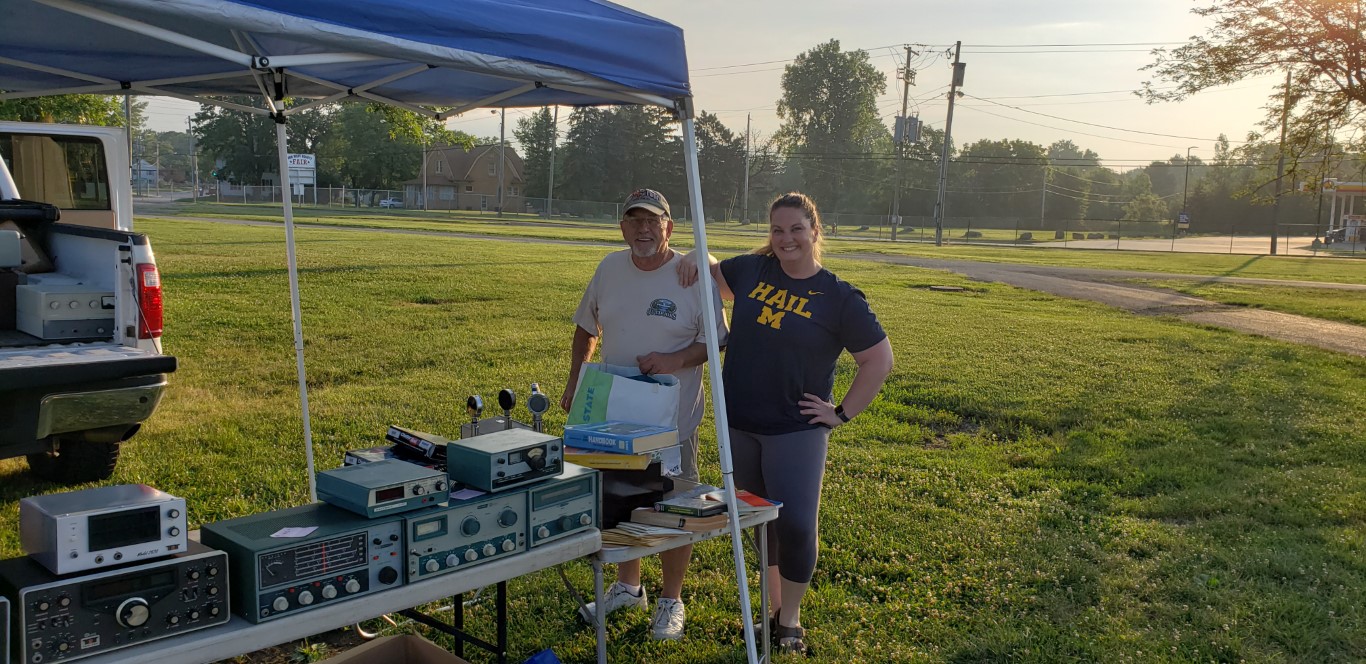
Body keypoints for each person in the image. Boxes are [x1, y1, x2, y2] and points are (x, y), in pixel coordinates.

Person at [679, 192, 893, 655]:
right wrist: (699, 252)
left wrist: (840, 413)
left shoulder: (839, 297)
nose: (786, 238)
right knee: (761, 522)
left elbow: (878, 360)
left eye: (796, 229)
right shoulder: (754, 271)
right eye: (777, 230)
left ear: (815, 231)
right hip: (740, 423)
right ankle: (774, 609)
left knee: (795, 524)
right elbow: (714, 275)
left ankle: (791, 617)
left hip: (795, 430)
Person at [561, 188, 728, 641]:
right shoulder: (609, 268)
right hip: (614, 418)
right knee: (619, 500)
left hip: (673, 420)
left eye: (653, 220)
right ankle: (628, 586)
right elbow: (586, 327)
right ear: (622, 227)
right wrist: (574, 381)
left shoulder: (690, 274)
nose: (643, 229)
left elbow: (716, 340)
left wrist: (674, 360)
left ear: (668, 227)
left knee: (676, 506)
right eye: (634, 220)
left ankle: (671, 599)